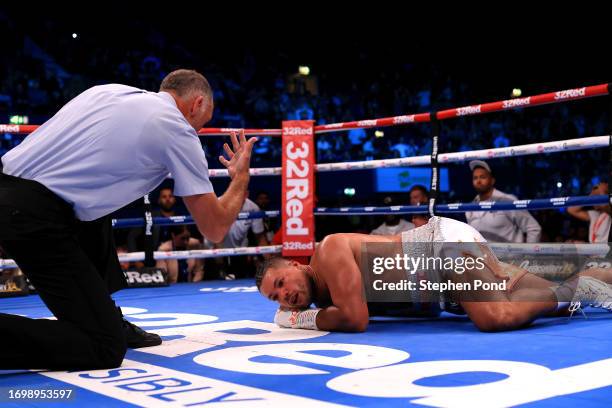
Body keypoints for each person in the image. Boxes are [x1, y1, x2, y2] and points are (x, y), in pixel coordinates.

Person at [0, 69, 256, 369]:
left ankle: (106, 313)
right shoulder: (176, 128)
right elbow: (214, 228)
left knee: (97, 212)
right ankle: (103, 327)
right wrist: (240, 178)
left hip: (13, 191)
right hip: (35, 214)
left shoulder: (108, 92)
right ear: (197, 104)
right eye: (204, 121)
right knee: (104, 346)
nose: (199, 130)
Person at [256, 216, 612, 333]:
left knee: (494, 316)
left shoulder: (328, 250)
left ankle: (580, 289)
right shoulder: (326, 297)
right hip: (444, 283)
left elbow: (355, 319)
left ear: (295, 265)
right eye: (277, 297)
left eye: (281, 283)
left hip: (442, 249)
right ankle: (592, 282)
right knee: (546, 298)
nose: (284, 295)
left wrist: (296, 320)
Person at [465, 160, 541, 243]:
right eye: (475, 178)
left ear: (492, 180)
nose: (478, 181)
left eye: (483, 177)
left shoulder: (507, 201)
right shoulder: (470, 208)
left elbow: (533, 228)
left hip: (509, 255)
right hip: (483, 255)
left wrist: (529, 255)